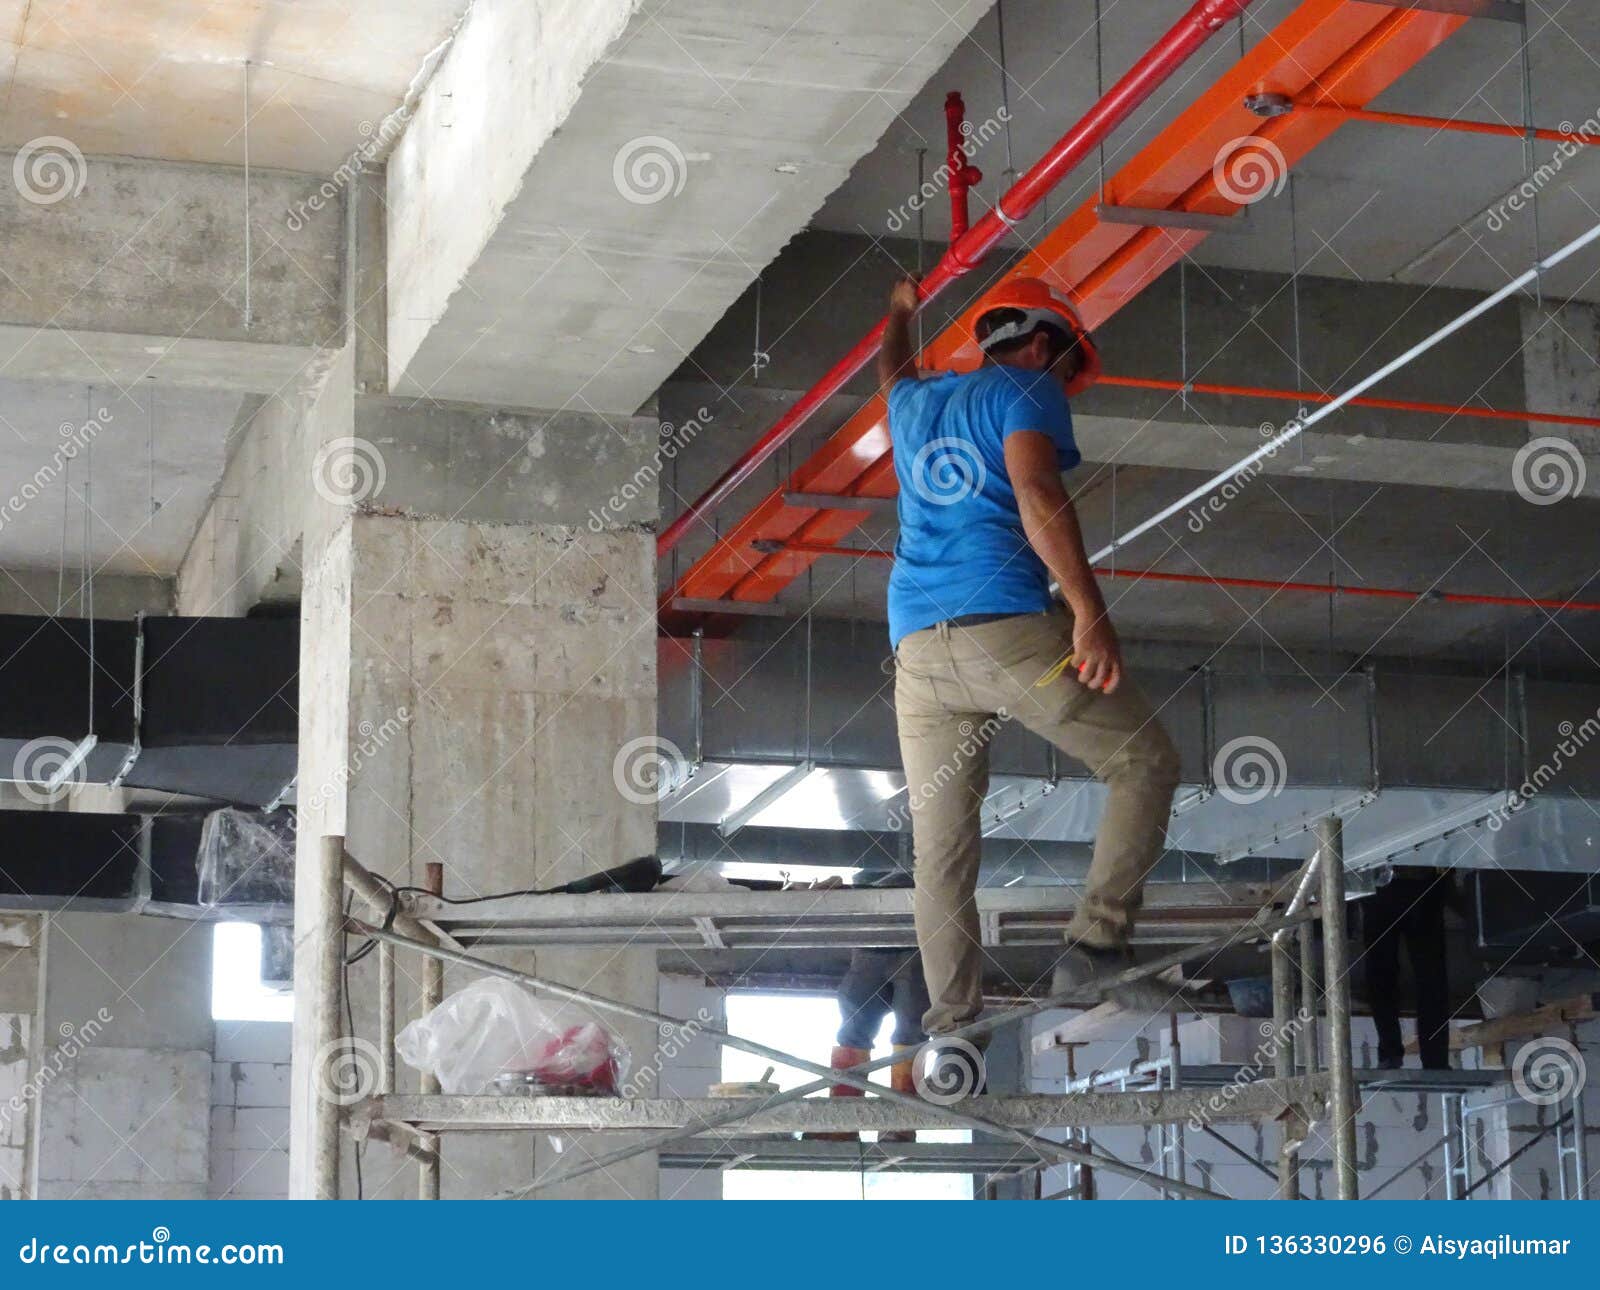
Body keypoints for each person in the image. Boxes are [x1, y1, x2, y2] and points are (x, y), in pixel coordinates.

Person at [880, 274, 1182, 1041]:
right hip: (1007, 635)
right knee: (1143, 762)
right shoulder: (1025, 386)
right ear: (1047, 344)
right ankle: (1096, 946)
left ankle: (950, 1027)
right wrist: (1089, 614)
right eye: (1072, 372)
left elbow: (892, 371)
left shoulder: (917, 403)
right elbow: (1037, 490)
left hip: (917, 656)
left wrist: (900, 315)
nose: (1068, 388)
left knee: (939, 856)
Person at [817, 948, 931, 1144]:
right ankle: (844, 1124)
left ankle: (899, 1124)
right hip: (873, 950)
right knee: (855, 1029)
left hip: (913, 948)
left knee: (909, 1029)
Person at [1362, 867, 1454, 1069]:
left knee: (1383, 974)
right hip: (1418, 882)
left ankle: (1394, 1053)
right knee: (1429, 976)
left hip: (1387, 881)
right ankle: (1433, 1058)